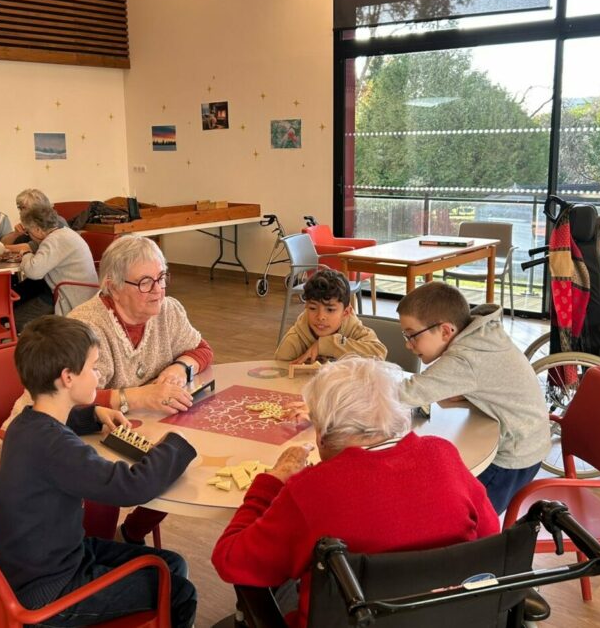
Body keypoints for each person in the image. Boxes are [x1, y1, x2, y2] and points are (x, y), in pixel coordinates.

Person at [212, 357, 498, 628]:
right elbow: (489, 537)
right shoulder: (442, 454)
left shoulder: (311, 489)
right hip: (449, 619)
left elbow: (230, 561)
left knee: (283, 581)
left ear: (322, 433)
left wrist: (272, 481)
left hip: (347, 619)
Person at [0, 315, 197, 627]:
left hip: (42, 564)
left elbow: (60, 424)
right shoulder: (58, 448)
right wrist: (176, 445)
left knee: (171, 564)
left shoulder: (24, 423)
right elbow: (131, 487)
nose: (98, 376)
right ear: (67, 377)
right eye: (93, 367)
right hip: (49, 594)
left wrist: (93, 415)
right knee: (180, 591)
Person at [68, 235, 213, 543]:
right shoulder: (85, 327)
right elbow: (70, 398)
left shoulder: (168, 310)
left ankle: (131, 534)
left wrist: (179, 368)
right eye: (145, 282)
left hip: (140, 424)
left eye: (161, 277)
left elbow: (202, 349)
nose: (158, 289)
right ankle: (99, 549)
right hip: (80, 431)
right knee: (105, 479)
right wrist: (138, 396)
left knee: (177, 457)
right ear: (113, 287)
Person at [396, 282, 549, 514]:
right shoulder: (482, 335)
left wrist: (351, 391)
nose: (408, 345)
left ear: (446, 331)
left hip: (512, 458)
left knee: (463, 518)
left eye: (412, 335)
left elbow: (408, 393)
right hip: (529, 439)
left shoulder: (466, 358)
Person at [13, 205, 98, 332]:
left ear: (37, 230)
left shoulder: (55, 240)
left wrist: (26, 254)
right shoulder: (64, 233)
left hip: (70, 296)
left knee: (16, 319)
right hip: (77, 290)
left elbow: (33, 272)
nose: (29, 236)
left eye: (28, 232)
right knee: (24, 291)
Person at [274, 269, 387, 363]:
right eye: (313, 308)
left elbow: (379, 353)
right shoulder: (294, 341)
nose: (320, 317)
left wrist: (329, 344)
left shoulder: (353, 328)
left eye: (330, 310)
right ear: (306, 306)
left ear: (346, 313)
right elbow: (278, 374)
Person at [2, 188, 67, 249]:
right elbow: (3, 243)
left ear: (39, 207)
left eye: (24, 208)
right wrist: (15, 234)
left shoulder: (56, 221)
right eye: (20, 208)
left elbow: (35, 246)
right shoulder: (30, 223)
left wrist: (3, 249)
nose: (21, 212)